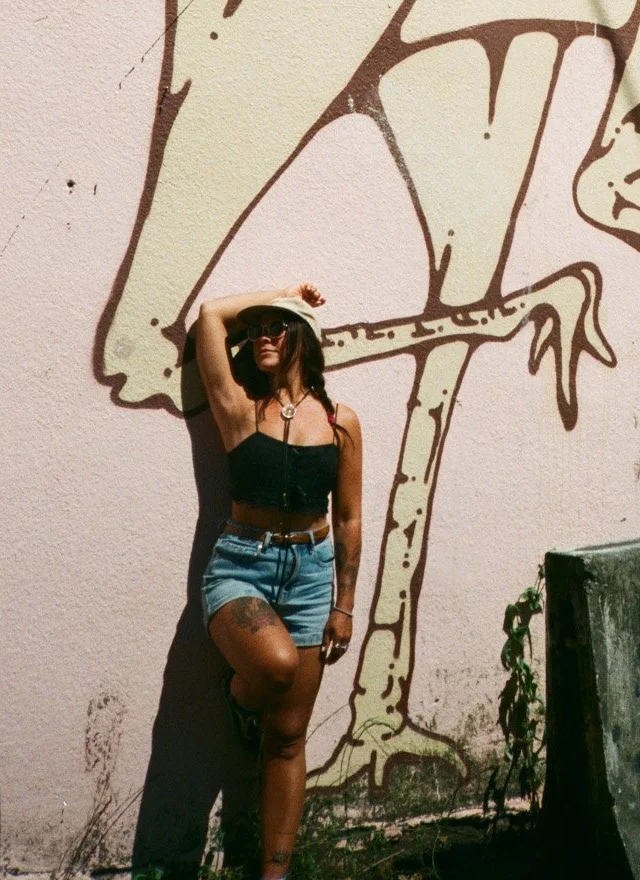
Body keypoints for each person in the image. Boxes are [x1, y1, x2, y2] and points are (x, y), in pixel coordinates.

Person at [194, 283, 363, 878]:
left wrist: (344, 605)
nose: (262, 334)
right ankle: (242, 700)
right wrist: (284, 295)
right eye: (257, 327)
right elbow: (211, 315)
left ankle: (274, 874)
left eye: (278, 327)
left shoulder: (342, 423)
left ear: (305, 340)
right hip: (243, 566)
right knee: (276, 667)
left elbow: (347, 516)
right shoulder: (239, 408)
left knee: (289, 737)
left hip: (313, 574)